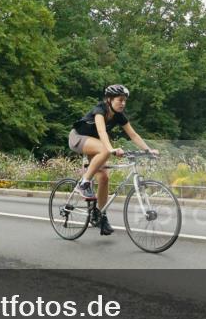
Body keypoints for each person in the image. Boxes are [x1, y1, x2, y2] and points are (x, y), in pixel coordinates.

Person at [68, 84, 158, 235]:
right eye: (120, 100)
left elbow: (133, 135)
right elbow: (102, 132)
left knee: (104, 177)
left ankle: (100, 215)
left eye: (125, 101)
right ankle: (83, 183)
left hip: (94, 143)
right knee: (104, 150)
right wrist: (110, 149)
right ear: (109, 100)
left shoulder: (119, 116)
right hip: (78, 138)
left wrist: (148, 150)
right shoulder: (100, 110)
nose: (123, 103)